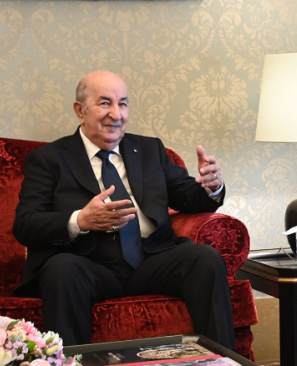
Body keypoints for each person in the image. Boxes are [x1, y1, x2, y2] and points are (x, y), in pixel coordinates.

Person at [12, 70, 235, 349]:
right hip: (89, 264)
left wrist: (211, 186)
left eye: (123, 103)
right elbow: (26, 224)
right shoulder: (49, 159)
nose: (116, 114)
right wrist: (81, 220)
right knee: (61, 268)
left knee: (204, 258)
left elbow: (189, 198)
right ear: (80, 111)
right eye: (105, 103)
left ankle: (221, 359)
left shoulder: (150, 149)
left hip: (151, 260)